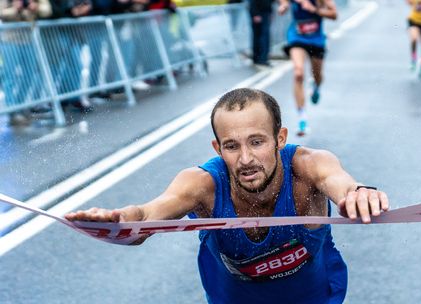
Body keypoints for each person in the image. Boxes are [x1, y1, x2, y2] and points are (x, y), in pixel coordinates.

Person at [65, 88, 389, 304]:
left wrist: (358, 193)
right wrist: (118, 223)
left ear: (280, 138)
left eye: (257, 142)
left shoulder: (306, 168)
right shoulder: (202, 185)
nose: (246, 159)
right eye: (232, 146)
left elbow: (338, 181)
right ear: (218, 149)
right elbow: (147, 216)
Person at [279, 0, 337, 137]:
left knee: (317, 75)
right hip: (297, 37)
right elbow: (283, 2)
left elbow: (334, 14)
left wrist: (314, 9)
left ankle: (316, 86)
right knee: (298, 73)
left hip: (316, 40)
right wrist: (283, 6)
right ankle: (302, 118)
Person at [0, 0, 52, 126]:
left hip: (29, 37)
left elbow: (47, 10)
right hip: (10, 39)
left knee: (29, 74)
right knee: (10, 76)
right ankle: (13, 111)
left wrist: (36, 7)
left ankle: (21, 106)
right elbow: (2, 12)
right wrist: (15, 8)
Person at [249, 0, 274, 67]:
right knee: (261, 36)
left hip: (265, 12)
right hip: (259, 12)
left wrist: (270, 12)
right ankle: (260, 58)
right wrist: (255, 13)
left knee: (263, 36)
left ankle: (261, 58)